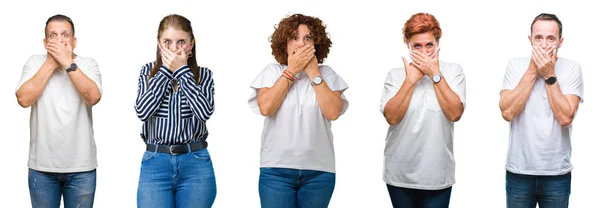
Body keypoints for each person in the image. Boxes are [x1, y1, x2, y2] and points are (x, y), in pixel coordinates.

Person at [248, 13, 349, 208]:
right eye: (294, 38)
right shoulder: (272, 72)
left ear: (316, 44)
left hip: (319, 172)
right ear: (284, 44)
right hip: (276, 170)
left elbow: (333, 112)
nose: (300, 44)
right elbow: (266, 107)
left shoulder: (326, 73)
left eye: (307, 38)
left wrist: (313, 73)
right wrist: (291, 71)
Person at [379, 13, 466, 208]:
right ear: (407, 44)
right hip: (399, 174)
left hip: (437, 174)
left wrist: (434, 74)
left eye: (429, 45)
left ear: (437, 43)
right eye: (417, 46)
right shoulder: (395, 75)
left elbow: (455, 113)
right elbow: (392, 117)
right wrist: (411, 80)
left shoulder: (453, 72)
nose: (424, 52)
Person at [15, 14, 102, 208]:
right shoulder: (34, 63)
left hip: (82, 169)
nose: (59, 40)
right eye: (53, 36)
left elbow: (93, 96)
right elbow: (23, 99)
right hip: (42, 169)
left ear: (74, 41)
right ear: (45, 42)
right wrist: (51, 63)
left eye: (65, 35)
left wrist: (67, 63)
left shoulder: (88, 64)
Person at [499, 13, 583, 208]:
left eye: (550, 38)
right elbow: (507, 112)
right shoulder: (515, 65)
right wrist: (532, 70)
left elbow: (565, 117)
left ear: (560, 42)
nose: (544, 44)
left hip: (556, 174)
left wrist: (549, 75)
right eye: (539, 38)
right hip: (519, 171)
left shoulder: (572, 69)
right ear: (530, 40)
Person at [135, 14, 216, 208]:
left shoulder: (204, 75)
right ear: (159, 44)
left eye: (181, 42)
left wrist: (181, 71)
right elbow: (142, 112)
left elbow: (204, 112)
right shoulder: (147, 72)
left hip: (195, 163)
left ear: (191, 44)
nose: (174, 48)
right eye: (167, 42)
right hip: (155, 163)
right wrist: (166, 70)